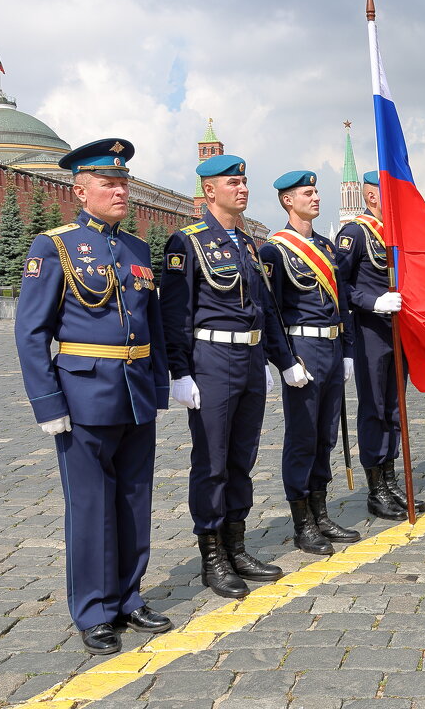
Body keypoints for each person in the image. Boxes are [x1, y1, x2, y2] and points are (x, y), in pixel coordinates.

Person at [15, 138, 171, 654]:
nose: (120, 190)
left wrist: (162, 384)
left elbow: (155, 326)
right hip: (83, 395)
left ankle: (128, 597)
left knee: (134, 499)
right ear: (81, 191)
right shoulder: (54, 245)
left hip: (134, 394)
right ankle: (94, 610)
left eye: (124, 182)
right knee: (90, 507)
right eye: (109, 183)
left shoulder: (138, 250)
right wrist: (48, 403)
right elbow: (31, 331)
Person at [161, 154, 284, 600]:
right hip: (211, 360)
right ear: (209, 190)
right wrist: (180, 372)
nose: (243, 189)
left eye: (245, 182)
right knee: (211, 462)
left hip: (249, 361)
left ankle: (237, 546)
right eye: (233, 182)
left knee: (241, 459)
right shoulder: (187, 241)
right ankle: (212, 556)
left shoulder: (248, 244)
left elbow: (264, 309)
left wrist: (272, 360)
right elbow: (175, 313)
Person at [259, 170, 360, 555]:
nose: (316, 198)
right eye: (308, 193)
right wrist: (285, 360)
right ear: (288, 201)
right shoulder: (275, 249)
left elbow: (342, 303)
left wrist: (348, 349)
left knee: (326, 435)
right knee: (303, 437)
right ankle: (303, 522)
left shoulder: (327, 247)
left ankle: (321, 511)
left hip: (332, 348)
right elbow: (271, 311)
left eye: (317, 192)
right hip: (303, 348)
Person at [335, 172, 421, 520]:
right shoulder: (355, 233)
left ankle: (389, 478)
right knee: (374, 409)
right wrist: (371, 302)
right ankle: (376, 488)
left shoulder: (395, 234)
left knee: (395, 408)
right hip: (370, 331)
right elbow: (338, 284)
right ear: (372, 198)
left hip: (397, 331)